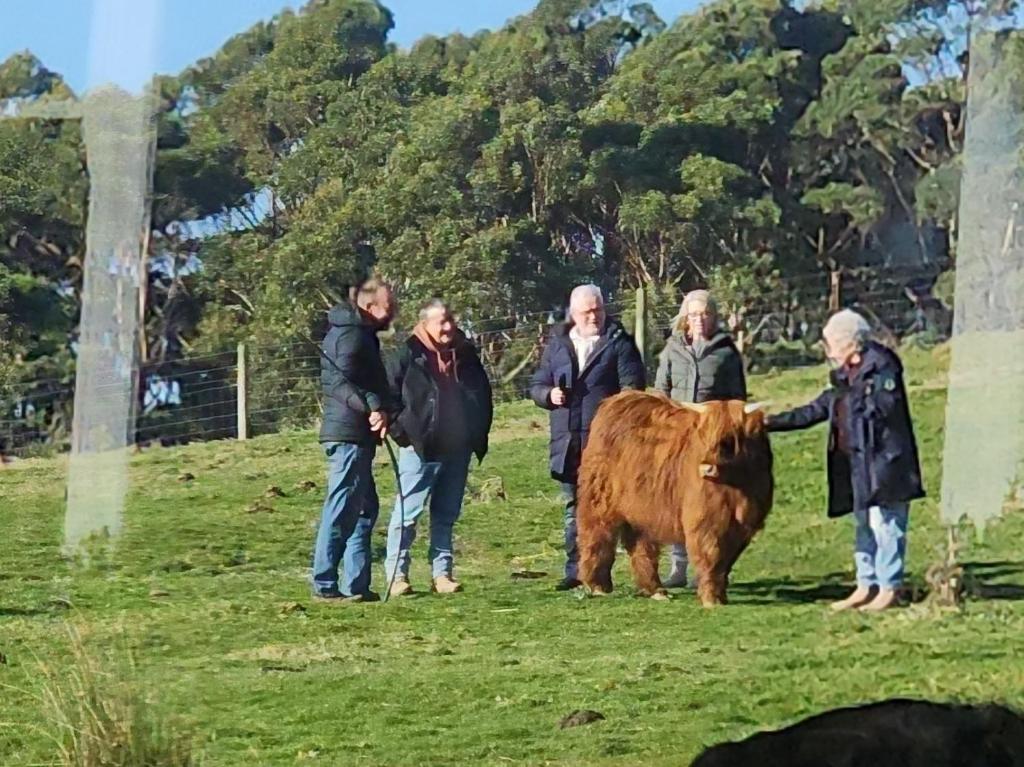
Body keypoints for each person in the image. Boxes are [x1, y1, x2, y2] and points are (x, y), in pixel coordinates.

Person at [766, 309, 925, 612]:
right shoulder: (845, 378)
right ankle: (866, 585)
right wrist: (770, 422)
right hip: (859, 465)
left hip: (885, 465)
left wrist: (853, 394)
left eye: (830, 343)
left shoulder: (883, 369)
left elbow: (883, 409)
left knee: (886, 526)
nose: (828, 351)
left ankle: (889, 587)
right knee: (864, 525)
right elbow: (816, 409)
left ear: (849, 343)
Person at [530, 284, 646, 591]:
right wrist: (548, 394)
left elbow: (632, 391)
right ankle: (576, 571)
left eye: (598, 310)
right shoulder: (557, 344)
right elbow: (538, 382)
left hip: (608, 445)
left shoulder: (619, 343)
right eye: (587, 311)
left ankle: (604, 573)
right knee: (574, 509)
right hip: (567, 442)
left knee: (611, 509)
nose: (594, 316)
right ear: (574, 313)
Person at [383, 299, 494, 596]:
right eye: (441, 322)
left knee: (446, 514)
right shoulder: (407, 354)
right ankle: (397, 575)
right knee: (408, 513)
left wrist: (475, 432)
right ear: (425, 324)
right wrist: (403, 434)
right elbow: (388, 396)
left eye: (450, 320)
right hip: (420, 448)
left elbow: (482, 391)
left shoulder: (466, 354)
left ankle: (442, 574)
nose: (448, 327)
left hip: (458, 447)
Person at [312, 276, 397, 603]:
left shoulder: (362, 334)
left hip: (359, 433)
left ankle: (356, 585)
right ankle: (324, 582)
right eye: (389, 306)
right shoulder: (350, 335)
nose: (394, 312)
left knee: (364, 508)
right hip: (347, 433)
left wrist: (383, 406)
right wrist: (371, 407)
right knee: (343, 505)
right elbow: (338, 382)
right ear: (370, 306)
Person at [655, 289, 747, 589]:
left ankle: (709, 569)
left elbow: (738, 399)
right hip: (679, 439)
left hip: (712, 441)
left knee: (711, 506)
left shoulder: (726, 352)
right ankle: (678, 568)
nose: (699, 320)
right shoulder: (672, 349)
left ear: (714, 317)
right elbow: (660, 394)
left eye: (705, 314)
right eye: (693, 314)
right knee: (679, 503)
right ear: (685, 317)